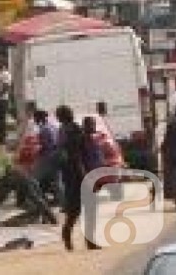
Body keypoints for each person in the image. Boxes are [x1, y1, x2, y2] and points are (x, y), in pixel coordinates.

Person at [56, 105, 99, 251]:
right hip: (78, 177)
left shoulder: (62, 131)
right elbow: (77, 158)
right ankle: (86, 240)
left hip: (70, 177)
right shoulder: (73, 131)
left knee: (75, 211)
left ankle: (69, 236)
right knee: (86, 210)